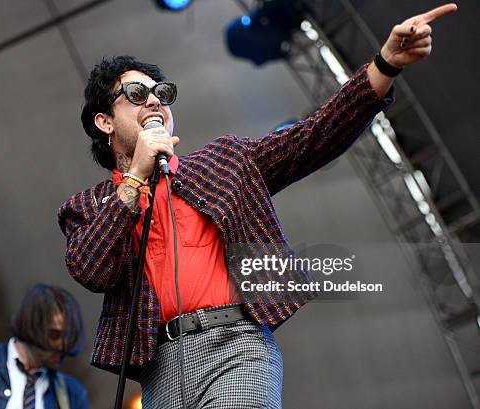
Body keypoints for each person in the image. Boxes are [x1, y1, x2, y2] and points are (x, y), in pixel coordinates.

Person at [57, 4, 456, 408]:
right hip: (160, 366)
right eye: (137, 95)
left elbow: (315, 136)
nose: (155, 102)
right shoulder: (88, 207)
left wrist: (385, 64)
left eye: (162, 94)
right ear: (105, 122)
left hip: (238, 347)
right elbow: (91, 268)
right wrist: (137, 178)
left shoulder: (226, 161)